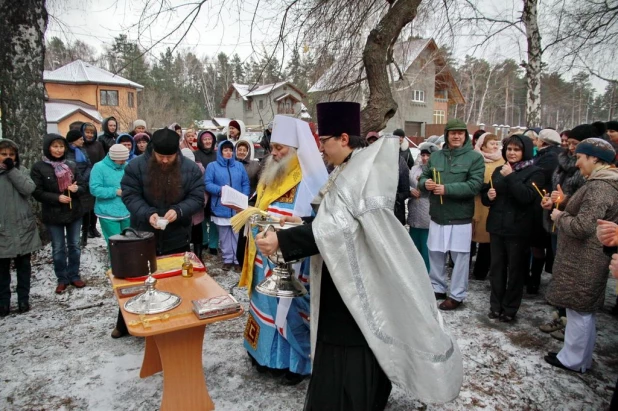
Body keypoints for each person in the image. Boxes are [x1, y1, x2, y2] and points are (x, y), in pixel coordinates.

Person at [255, 102, 462, 409]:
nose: (320, 148)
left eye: (324, 141)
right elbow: (332, 222)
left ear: (342, 138)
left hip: (356, 287)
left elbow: (339, 228)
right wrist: (299, 223)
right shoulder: (345, 169)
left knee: (351, 361)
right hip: (340, 281)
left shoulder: (360, 173)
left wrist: (285, 240)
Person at [239, 115, 328, 385]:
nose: (274, 153)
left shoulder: (309, 179)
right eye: (273, 147)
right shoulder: (270, 174)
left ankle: (293, 365)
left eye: (281, 148)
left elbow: (311, 222)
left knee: (288, 311)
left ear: (297, 150)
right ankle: (262, 355)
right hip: (262, 254)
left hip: (291, 261)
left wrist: (279, 228)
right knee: (262, 304)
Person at [544, 138, 618, 373]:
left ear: (595, 159)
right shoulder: (599, 183)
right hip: (586, 258)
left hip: (586, 259)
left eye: (580, 157)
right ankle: (578, 357)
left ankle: (573, 360)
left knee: (580, 312)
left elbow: (583, 227)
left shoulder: (600, 187)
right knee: (581, 311)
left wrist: (559, 216)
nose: (577, 164)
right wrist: (565, 202)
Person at [419, 119, 485, 310]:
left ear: (465, 136)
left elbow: (474, 185)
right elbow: (424, 176)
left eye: (460, 133)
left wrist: (446, 189)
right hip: (438, 215)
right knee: (436, 253)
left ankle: (457, 294)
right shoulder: (436, 156)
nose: (456, 136)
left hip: (460, 216)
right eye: (452, 133)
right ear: (447, 135)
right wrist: (426, 184)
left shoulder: (474, 158)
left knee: (460, 257)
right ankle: (437, 287)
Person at [481, 134, 544, 322]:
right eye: (509, 149)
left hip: (518, 229)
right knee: (497, 268)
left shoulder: (535, 172)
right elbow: (487, 194)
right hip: (497, 226)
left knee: (515, 271)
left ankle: (510, 308)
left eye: (516, 149)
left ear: (524, 151)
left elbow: (526, 197)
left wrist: (511, 177)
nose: (512, 153)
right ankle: (495, 305)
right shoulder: (499, 169)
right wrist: (488, 196)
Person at [121, 128, 204, 256]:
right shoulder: (135, 166)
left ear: (176, 153)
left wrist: (179, 210)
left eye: (169, 157)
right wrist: (147, 213)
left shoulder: (191, 168)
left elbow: (197, 198)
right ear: (153, 151)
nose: (165, 160)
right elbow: (130, 195)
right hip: (143, 234)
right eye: (160, 156)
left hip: (178, 237)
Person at [31, 134, 86, 294]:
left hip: (73, 211)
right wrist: (57, 197)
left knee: (74, 245)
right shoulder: (39, 167)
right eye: (55, 146)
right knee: (58, 247)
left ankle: (74, 274)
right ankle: (62, 278)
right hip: (53, 214)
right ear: (48, 148)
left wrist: (77, 189)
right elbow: (37, 192)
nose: (58, 149)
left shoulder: (71, 165)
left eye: (61, 146)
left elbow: (82, 185)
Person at [0, 139, 41, 316]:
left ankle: (23, 299)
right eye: (3, 154)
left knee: (23, 266)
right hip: (3, 228)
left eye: (11, 154)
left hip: (22, 227)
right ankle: (3, 302)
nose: (7, 157)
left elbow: (28, 188)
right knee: (2, 270)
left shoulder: (21, 171)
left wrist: (11, 171)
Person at [205, 140, 250, 270]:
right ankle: (227, 259)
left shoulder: (239, 166)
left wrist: (243, 196)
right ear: (220, 151)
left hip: (237, 207)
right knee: (224, 237)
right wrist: (221, 191)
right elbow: (207, 183)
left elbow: (245, 183)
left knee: (237, 234)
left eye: (230, 150)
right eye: (225, 150)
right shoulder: (212, 166)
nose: (228, 152)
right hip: (221, 206)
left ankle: (237, 260)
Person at [529, 129, 562, 294]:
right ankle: (534, 278)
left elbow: (536, 176)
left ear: (542, 141)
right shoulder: (550, 155)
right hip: (543, 203)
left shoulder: (549, 157)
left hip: (542, 204)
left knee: (539, 244)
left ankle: (534, 280)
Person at [471, 133, 505, 280]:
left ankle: (483, 270)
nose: (495, 146)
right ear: (482, 145)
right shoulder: (476, 159)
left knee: (488, 238)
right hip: (475, 202)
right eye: (491, 143)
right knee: (471, 236)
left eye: (496, 143)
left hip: (492, 204)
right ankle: (463, 266)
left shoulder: (502, 160)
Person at [89, 144, 131, 251]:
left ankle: (129, 266)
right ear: (113, 158)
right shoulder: (99, 167)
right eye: (121, 160)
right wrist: (115, 191)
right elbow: (94, 189)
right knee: (116, 246)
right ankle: (116, 267)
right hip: (108, 213)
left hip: (127, 211)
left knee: (130, 244)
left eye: (125, 159)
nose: (123, 162)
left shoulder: (126, 166)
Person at [408, 142, 439, 272]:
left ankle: (427, 273)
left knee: (427, 248)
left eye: (428, 155)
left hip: (428, 213)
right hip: (414, 211)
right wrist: (410, 189)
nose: (425, 158)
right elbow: (405, 182)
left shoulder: (437, 171)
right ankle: (414, 272)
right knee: (414, 247)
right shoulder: (415, 169)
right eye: (423, 155)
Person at [366, 131, 409, 225]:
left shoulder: (399, 161)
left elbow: (405, 191)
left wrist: (393, 197)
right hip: (371, 214)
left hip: (394, 211)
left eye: (375, 141)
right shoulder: (364, 161)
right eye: (370, 142)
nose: (373, 144)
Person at [65, 130, 94, 248]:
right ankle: (73, 236)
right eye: (80, 139)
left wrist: (83, 178)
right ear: (73, 140)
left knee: (86, 211)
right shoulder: (66, 153)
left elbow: (89, 165)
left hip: (84, 184)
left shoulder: (83, 151)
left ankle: (85, 236)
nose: (83, 141)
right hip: (72, 184)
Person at [195, 130, 219, 257]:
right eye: (205, 139)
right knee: (202, 217)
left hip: (215, 190)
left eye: (210, 139)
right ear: (200, 141)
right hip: (201, 190)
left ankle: (213, 244)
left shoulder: (217, 154)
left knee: (213, 218)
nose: (208, 141)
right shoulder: (196, 154)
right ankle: (204, 241)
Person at [80, 123, 105, 239]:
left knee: (95, 204)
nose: (89, 135)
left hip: (96, 177)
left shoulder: (98, 145)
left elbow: (102, 160)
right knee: (86, 206)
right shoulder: (80, 145)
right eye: (87, 132)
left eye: (92, 133)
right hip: (83, 178)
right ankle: (84, 228)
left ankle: (93, 227)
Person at [181, 148, 206, 261]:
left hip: (197, 207)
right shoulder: (176, 169)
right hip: (183, 207)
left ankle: (199, 257)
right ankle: (185, 257)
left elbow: (204, 188)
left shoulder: (200, 169)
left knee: (197, 234)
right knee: (184, 235)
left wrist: (202, 201)